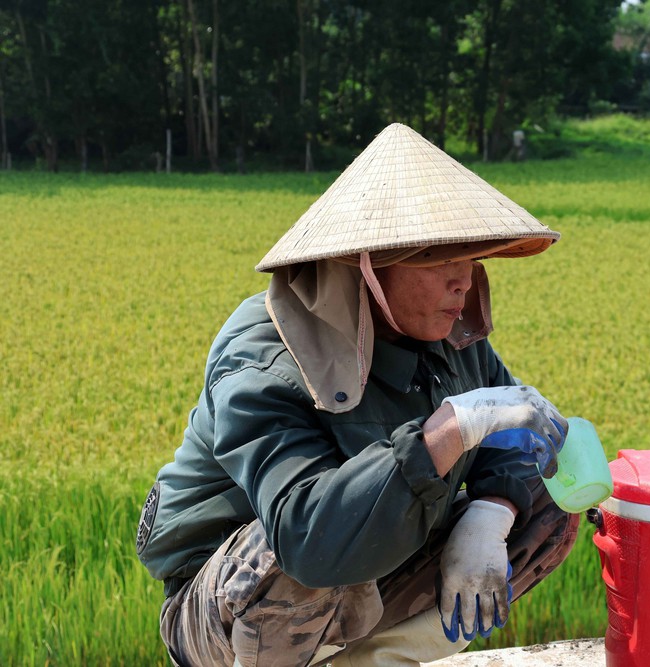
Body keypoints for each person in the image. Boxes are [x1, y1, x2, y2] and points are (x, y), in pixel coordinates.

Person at [135, 123, 580, 667]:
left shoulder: (443, 334)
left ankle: (381, 661)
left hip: (367, 576)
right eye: (438, 259)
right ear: (367, 266)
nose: (462, 281)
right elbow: (307, 538)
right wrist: (449, 431)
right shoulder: (268, 355)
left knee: (549, 495)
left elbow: (510, 432)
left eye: (470, 257)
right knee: (288, 559)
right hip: (226, 606)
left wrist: (491, 512)